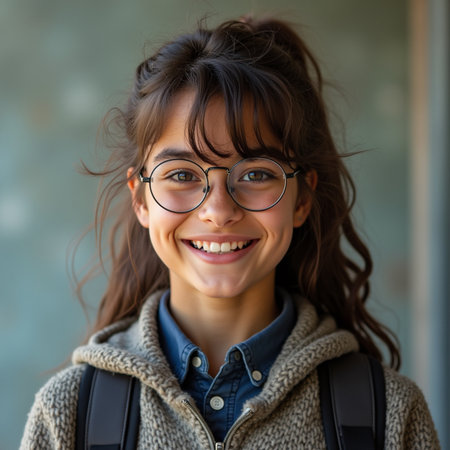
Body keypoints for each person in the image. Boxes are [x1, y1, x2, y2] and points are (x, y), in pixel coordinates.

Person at [21, 16, 440, 449]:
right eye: (182, 174)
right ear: (141, 199)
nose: (218, 211)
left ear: (301, 199)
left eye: (257, 173)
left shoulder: (387, 413)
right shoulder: (68, 415)